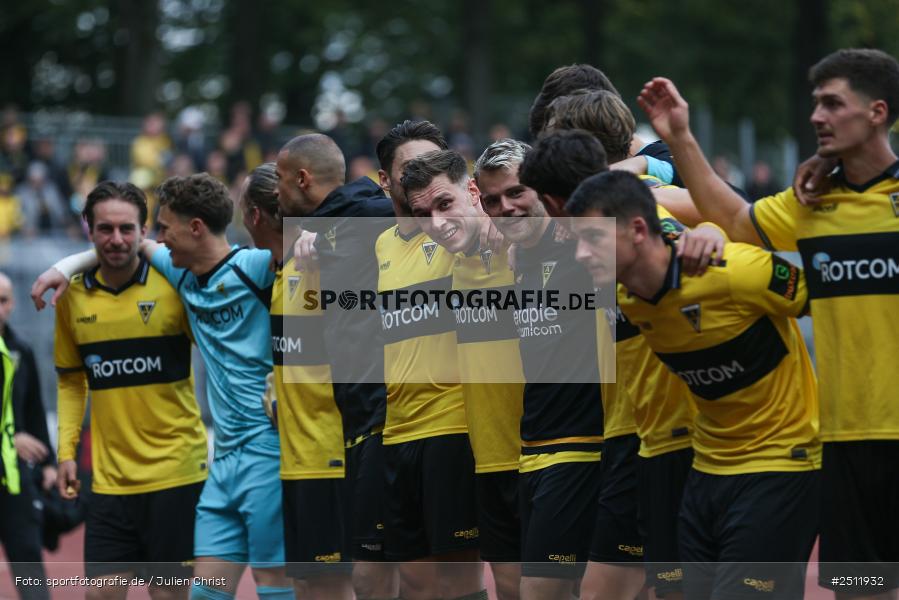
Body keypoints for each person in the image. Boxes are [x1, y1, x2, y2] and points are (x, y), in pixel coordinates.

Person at [637, 48, 899, 599]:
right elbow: (731, 217)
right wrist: (680, 137)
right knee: (863, 588)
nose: (817, 117)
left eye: (832, 104)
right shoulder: (813, 203)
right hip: (846, 438)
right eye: (815, 104)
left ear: (877, 112)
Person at [33, 175, 293, 600]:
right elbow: (129, 247)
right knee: (201, 593)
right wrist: (64, 266)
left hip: (248, 455)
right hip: (214, 462)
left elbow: (308, 277)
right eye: (105, 228)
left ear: (191, 228)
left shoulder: (245, 269)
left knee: (274, 584)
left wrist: (296, 379)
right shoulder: (183, 276)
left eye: (160, 227)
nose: (157, 236)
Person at [568, 170, 821, 600]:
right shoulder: (624, 297)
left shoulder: (733, 271)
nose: (579, 254)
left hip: (781, 463)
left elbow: (834, 300)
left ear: (637, 231)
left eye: (592, 238)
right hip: (705, 472)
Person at [50, 182, 207, 600]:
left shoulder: (175, 284)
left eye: (126, 228)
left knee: (168, 595)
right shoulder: (71, 297)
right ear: (89, 230)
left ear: (143, 231)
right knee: (100, 595)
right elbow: (70, 380)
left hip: (176, 474)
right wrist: (66, 452)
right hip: (109, 481)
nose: (116, 239)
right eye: (105, 229)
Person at [275, 133, 398, 600]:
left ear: (303, 179)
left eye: (283, 183)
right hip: (362, 414)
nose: (279, 194)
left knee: (375, 575)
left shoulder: (365, 216)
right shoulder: (342, 220)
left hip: (381, 413)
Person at [407, 146, 525, 600]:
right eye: (424, 213)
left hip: (549, 451)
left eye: (445, 204)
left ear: (473, 192)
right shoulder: (444, 257)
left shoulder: (520, 239)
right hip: (488, 455)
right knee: (512, 590)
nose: (436, 223)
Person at [375, 135, 484, 600]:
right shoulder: (380, 243)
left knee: (458, 579)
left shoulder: (464, 233)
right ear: (391, 181)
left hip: (453, 429)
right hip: (397, 433)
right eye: (410, 167)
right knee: (415, 583)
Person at [240, 163, 350, 600]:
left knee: (331, 586)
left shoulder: (321, 260)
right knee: (306, 584)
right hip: (298, 458)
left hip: (329, 454)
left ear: (253, 217)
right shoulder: (280, 269)